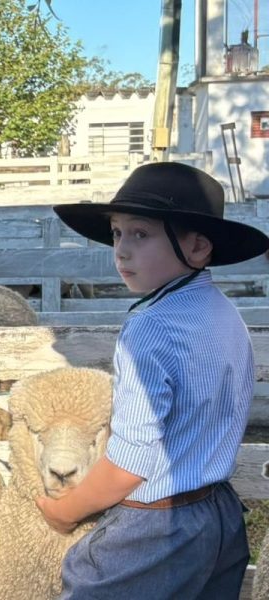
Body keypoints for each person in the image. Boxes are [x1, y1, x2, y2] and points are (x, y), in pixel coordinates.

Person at [39, 162, 269, 598]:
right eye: (117, 233)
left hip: (154, 528)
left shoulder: (150, 326)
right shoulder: (223, 312)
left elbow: (129, 464)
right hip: (217, 516)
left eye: (140, 234)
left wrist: (65, 511)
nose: (121, 251)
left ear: (199, 248)